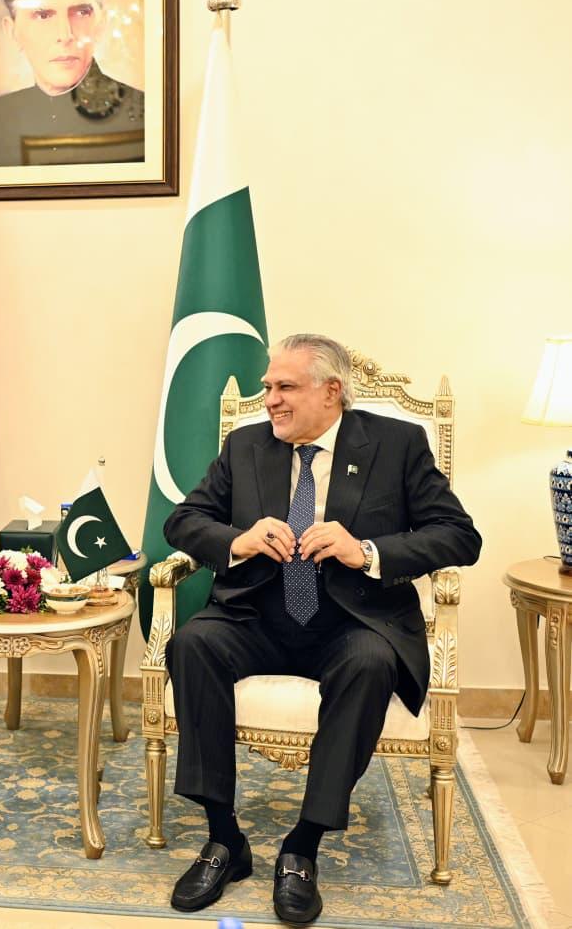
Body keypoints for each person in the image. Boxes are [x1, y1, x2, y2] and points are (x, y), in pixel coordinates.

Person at [163, 334, 481, 924]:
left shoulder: (396, 444)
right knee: (192, 642)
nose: (270, 400)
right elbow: (183, 520)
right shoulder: (246, 445)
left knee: (370, 662)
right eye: (267, 387)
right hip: (257, 616)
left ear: (331, 391)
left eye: (285, 387)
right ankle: (223, 838)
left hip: (352, 620)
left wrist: (367, 550)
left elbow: (460, 536)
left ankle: (301, 847)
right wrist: (239, 539)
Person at [0, 0, 145, 167]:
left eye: (81, 12)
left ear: (102, 24)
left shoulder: (146, 115)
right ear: (12, 31)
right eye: (43, 15)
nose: (65, 34)